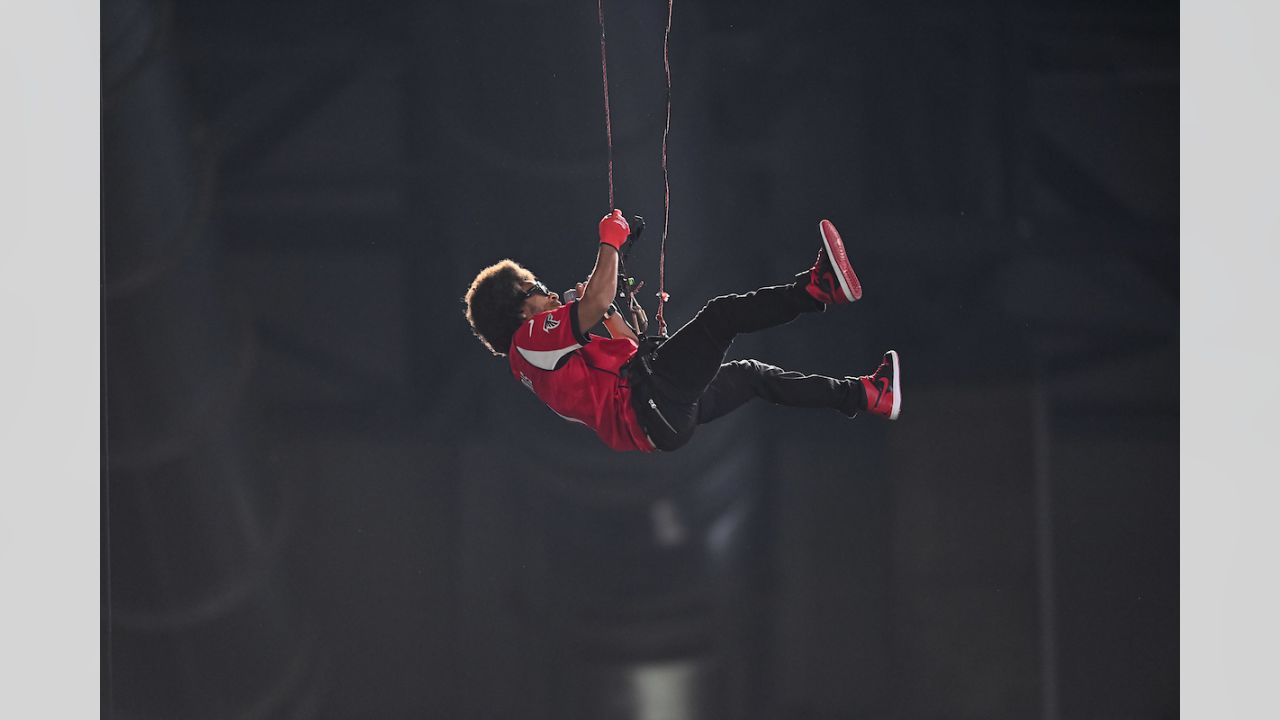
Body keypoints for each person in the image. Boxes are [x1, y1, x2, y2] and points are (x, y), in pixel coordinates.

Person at [462, 210, 900, 452]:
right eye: (536, 289)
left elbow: (625, 341)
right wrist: (608, 241)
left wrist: (610, 289)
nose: (551, 295)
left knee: (751, 376)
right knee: (721, 316)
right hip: (653, 402)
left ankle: (866, 395)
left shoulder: (538, 363)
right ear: (517, 311)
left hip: (660, 417)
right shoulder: (528, 342)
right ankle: (817, 290)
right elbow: (593, 303)